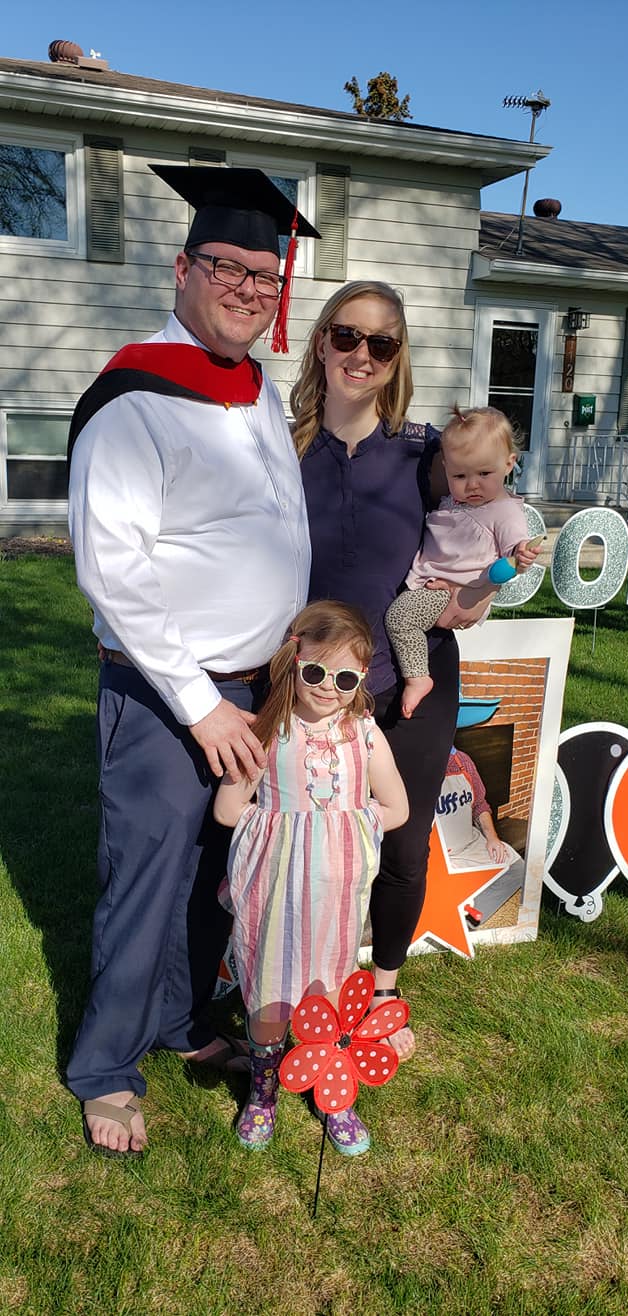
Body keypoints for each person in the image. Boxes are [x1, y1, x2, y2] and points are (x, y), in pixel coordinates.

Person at [66, 167, 320, 1157]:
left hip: (252, 686)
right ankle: (105, 1068)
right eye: (227, 267)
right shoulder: (136, 399)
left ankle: (178, 1018)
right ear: (183, 268)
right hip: (167, 688)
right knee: (148, 873)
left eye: (265, 277)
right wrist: (198, 704)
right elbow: (113, 567)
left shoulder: (254, 388)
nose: (248, 289)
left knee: (216, 869)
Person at [291, 281, 498, 1062]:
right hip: (317, 686)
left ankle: (383, 991)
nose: (362, 354)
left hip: (414, 676)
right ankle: (301, 980)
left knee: (403, 846)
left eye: (382, 343)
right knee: (309, 840)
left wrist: (476, 594)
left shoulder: (425, 455)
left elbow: (485, 525)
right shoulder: (280, 450)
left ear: (397, 356)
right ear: (322, 341)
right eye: (348, 336)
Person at [213, 601, 409, 1155]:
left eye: (345, 678)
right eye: (316, 671)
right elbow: (229, 809)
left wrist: (345, 826)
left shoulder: (365, 736)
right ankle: (264, 1090)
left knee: (332, 987)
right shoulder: (266, 731)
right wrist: (284, 830)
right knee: (270, 992)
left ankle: (334, 1090)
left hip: (336, 893)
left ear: (362, 678)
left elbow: (396, 807)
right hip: (275, 892)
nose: (328, 687)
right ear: (293, 663)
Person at [385, 406, 538, 718]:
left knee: (400, 618)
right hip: (433, 582)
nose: (472, 485)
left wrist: (521, 553)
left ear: (509, 463)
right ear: (446, 469)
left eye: (484, 474)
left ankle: (417, 678)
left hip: (452, 590)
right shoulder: (457, 500)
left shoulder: (503, 511)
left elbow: (514, 544)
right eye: (460, 476)